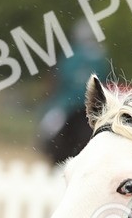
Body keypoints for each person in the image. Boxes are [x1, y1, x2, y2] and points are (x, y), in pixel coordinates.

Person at [37, 19, 108, 164]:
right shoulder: (101, 57)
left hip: (67, 104)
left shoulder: (71, 55)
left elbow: (60, 78)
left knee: (48, 127)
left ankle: (47, 148)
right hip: (93, 107)